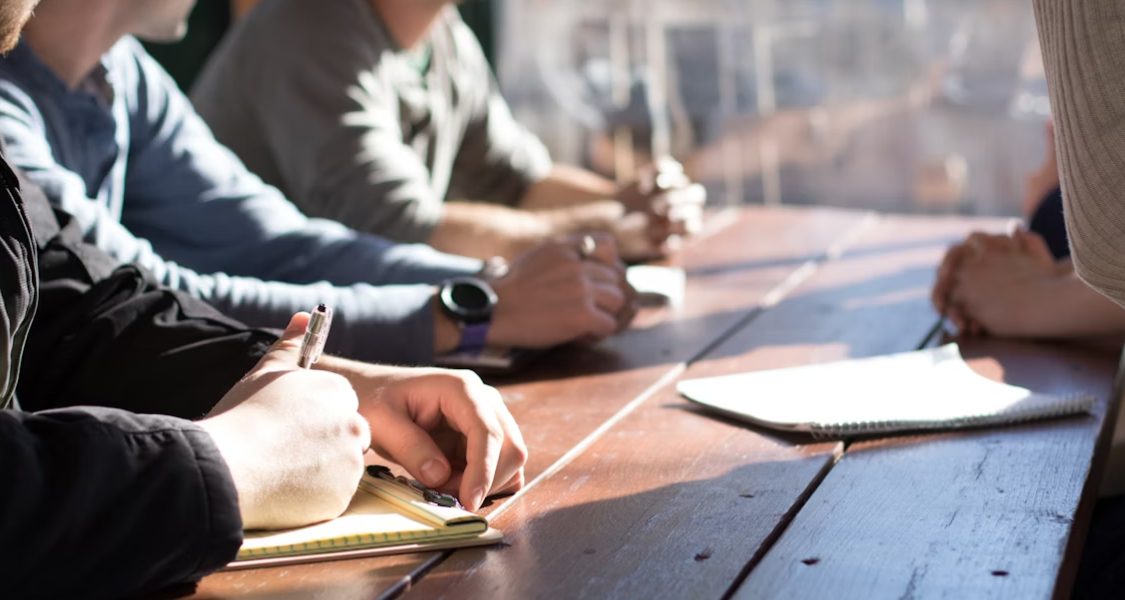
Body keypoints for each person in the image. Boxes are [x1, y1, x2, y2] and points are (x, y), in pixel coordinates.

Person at [0, 0, 636, 366]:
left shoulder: (121, 72)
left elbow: (282, 243)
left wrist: (486, 287)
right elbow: (151, 305)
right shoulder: (9, 114)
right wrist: (471, 313)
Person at [192, 0, 706, 262]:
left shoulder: (443, 34)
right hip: (243, 346)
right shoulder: (307, 28)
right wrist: (608, 228)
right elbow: (400, 231)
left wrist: (635, 203)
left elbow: (517, 181)